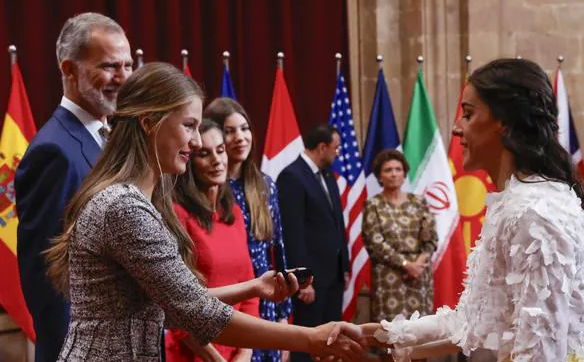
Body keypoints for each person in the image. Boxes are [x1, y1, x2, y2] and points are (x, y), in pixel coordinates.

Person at [43, 62, 363, 361]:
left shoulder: (128, 200)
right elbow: (195, 310)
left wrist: (253, 287)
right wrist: (310, 338)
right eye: (189, 126)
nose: (196, 142)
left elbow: (165, 304)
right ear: (149, 123)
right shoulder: (124, 207)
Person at [361, 58, 584, 362]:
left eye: (468, 114)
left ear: (503, 122)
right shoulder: (514, 203)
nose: (456, 127)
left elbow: (542, 351)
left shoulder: (534, 212)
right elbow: (471, 320)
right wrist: (381, 335)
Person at [15, 12, 132, 362]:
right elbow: (48, 278)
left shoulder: (109, 136)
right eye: (111, 66)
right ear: (69, 70)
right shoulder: (55, 151)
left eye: (128, 65)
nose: (124, 78)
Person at [204, 98, 292, 362]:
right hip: (227, 299)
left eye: (244, 128)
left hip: (265, 301)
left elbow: (278, 251)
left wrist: (283, 315)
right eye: (230, 131)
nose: (240, 137)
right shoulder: (208, 189)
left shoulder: (265, 185)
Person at [167, 119, 259, 362]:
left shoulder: (235, 213)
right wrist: (216, 359)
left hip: (238, 348)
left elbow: (250, 288)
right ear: (189, 161)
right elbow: (175, 302)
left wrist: (245, 352)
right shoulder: (177, 215)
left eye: (220, 151)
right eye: (204, 154)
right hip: (196, 353)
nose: (217, 160)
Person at [277, 124, 350, 362]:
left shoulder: (327, 175)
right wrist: (303, 280)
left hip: (334, 276)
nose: (338, 153)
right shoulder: (292, 176)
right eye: (336, 148)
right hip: (311, 281)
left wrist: (345, 265)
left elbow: (337, 224)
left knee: (330, 341)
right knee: (306, 342)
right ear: (322, 147)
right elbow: (293, 233)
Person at [362, 149, 437, 325]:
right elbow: (375, 242)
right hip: (389, 276)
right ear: (380, 176)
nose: (394, 174)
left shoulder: (418, 201)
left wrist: (418, 264)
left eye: (398, 169)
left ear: (404, 174)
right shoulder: (373, 204)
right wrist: (406, 265)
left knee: (420, 332)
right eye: (388, 170)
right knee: (391, 336)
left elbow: (431, 238)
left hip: (419, 275)